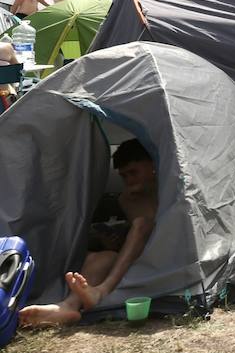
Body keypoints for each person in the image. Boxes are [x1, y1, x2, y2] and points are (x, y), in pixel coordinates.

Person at [19, 139, 158, 327]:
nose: (129, 180)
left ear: (153, 165)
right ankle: (68, 306)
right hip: (139, 258)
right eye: (124, 176)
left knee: (141, 224)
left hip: (165, 258)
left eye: (134, 172)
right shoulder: (127, 199)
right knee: (102, 257)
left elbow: (149, 230)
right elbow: (137, 240)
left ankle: (102, 290)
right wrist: (115, 244)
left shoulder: (171, 189)